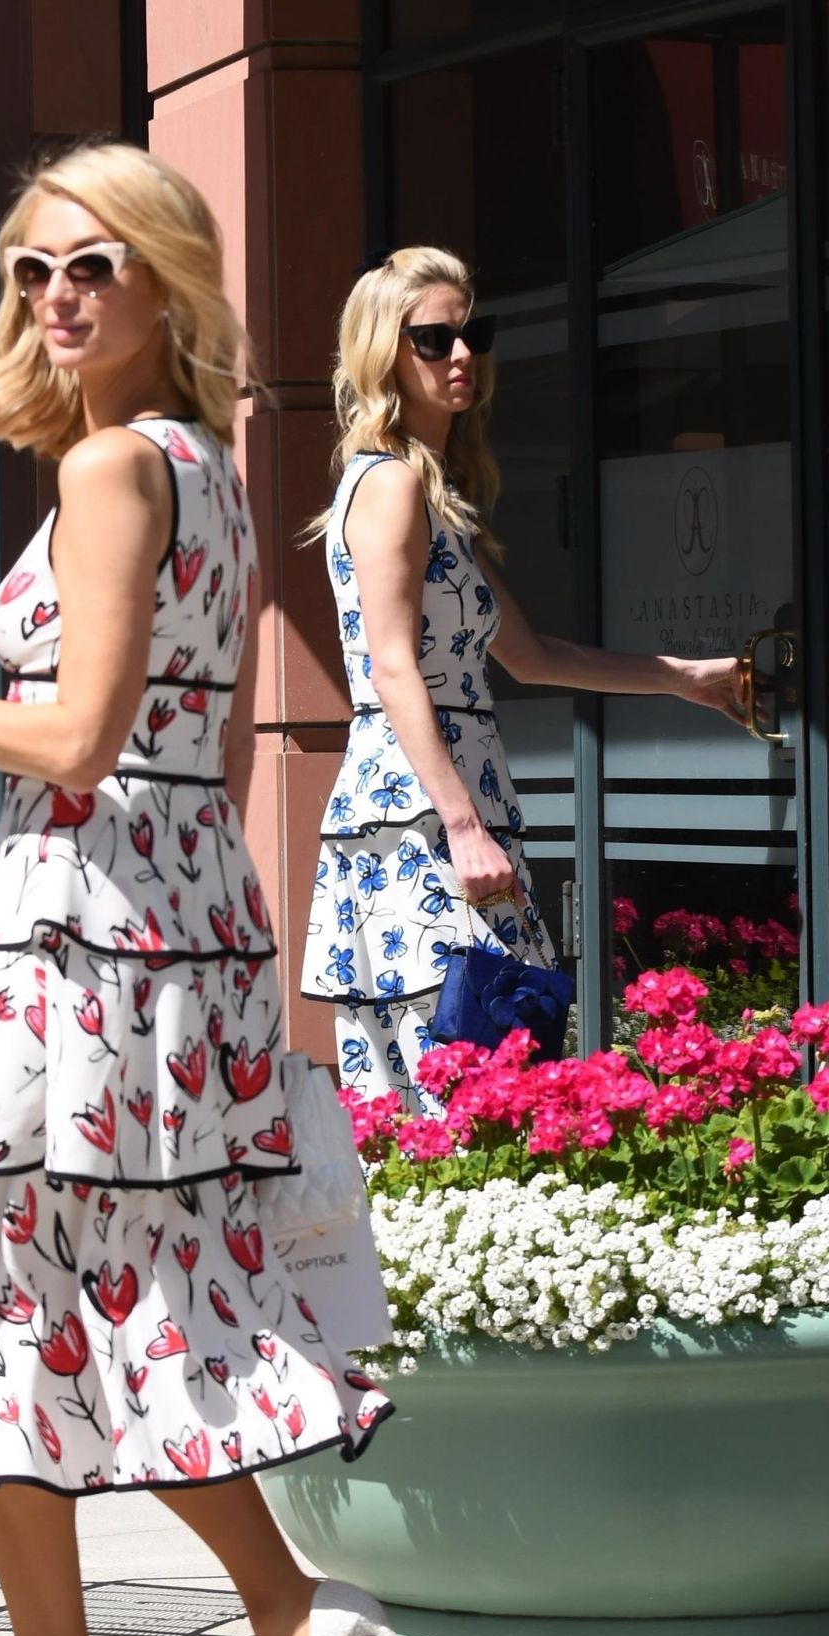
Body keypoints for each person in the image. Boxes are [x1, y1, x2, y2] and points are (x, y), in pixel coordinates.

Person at [0, 142, 418, 1636]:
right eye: (30, 269)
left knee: (0, 1304)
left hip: (82, 939)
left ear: (166, 279)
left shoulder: (105, 476)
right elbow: (208, 753)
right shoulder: (207, 470)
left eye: (96, 264)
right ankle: (274, 1635)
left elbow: (78, 745)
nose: (58, 295)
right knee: (142, 1307)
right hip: (175, 927)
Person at [301, 245, 746, 1109]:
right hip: (419, 816)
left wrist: (685, 678)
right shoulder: (390, 485)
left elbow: (534, 655)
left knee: (500, 1064)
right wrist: (463, 826)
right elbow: (393, 663)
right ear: (384, 351)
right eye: (434, 340)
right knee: (463, 1078)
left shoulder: (431, 497)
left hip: (446, 804)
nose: (462, 354)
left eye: (472, 334)